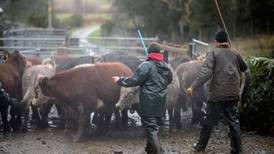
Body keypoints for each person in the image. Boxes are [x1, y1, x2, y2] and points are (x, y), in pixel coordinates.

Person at [186, 30, 247, 154]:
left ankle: (200, 147)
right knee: (233, 121)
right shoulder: (235, 53)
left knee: (209, 121)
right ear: (227, 40)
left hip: (217, 95)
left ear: (216, 41)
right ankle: (237, 149)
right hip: (233, 94)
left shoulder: (213, 53)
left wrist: (193, 86)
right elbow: (244, 68)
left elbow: (206, 73)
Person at [112, 43, 172, 154]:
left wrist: (120, 80)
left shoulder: (146, 65)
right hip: (161, 101)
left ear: (149, 53)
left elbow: (134, 80)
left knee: (151, 128)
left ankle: (158, 151)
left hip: (148, 102)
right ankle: (150, 149)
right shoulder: (166, 66)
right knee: (155, 126)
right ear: (159, 54)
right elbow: (169, 80)